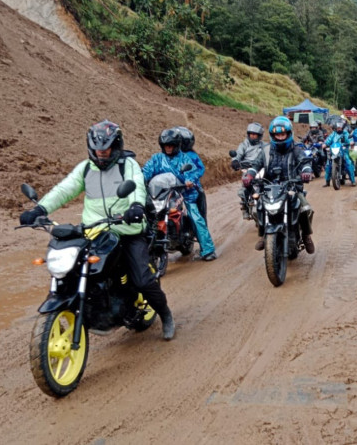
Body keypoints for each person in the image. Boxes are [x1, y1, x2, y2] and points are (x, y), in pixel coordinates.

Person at [19, 120, 176, 340]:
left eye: (106, 149)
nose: (102, 154)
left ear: (116, 145)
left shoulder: (127, 165)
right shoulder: (85, 169)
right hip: (95, 231)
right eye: (97, 150)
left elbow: (136, 186)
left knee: (142, 280)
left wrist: (136, 206)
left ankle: (166, 314)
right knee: (72, 268)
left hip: (127, 228)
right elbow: (64, 189)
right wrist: (40, 208)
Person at [242, 116, 316, 253]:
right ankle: (263, 235)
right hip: (269, 188)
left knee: (305, 209)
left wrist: (306, 172)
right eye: (277, 135)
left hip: (291, 188)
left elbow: (305, 163)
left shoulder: (296, 150)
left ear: (288, 134)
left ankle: (306, 235)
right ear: (272, 135)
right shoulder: (266, 151)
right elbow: (255, 165)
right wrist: (249, 175)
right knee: (256, 208)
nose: (280, 137)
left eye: (283, 134)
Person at [142, 128, 218, 262]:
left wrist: (189, 180)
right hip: (162, 194)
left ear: (177, 145)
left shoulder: (184, 158)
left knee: (195, 216)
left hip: (185, 193)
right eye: (166, 145)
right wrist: (141, 179)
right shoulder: (157, 159)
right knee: (144, 216)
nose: (168, 148)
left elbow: (193, 171)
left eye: (171, 145)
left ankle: (208, 249)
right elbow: (147, 171)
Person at [230, 122, 266, 220]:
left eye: (255, 135)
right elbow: (237, 155)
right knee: (245, 185)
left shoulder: (265, 145)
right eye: (251, 134)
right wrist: (235, 161)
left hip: (261, 169)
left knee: (268, 183)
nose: (253, 136)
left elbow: (269, 154)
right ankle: (245, 207)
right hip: (247, 168)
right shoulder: (244, 145)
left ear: (259, 136)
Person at [324, 118, 357, 186]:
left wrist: (351, 142)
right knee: (328, 165)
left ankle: (352, 180)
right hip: (334, 151)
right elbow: (328, 140)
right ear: (335, 128)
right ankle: (327, 182)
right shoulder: (333, 134)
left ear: (342, 127)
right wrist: (325, 144)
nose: (339, 129)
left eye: (340, 128)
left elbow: (349, 138)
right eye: (338, 128)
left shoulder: (345, 133)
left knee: (348, 163)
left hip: (343, 151)